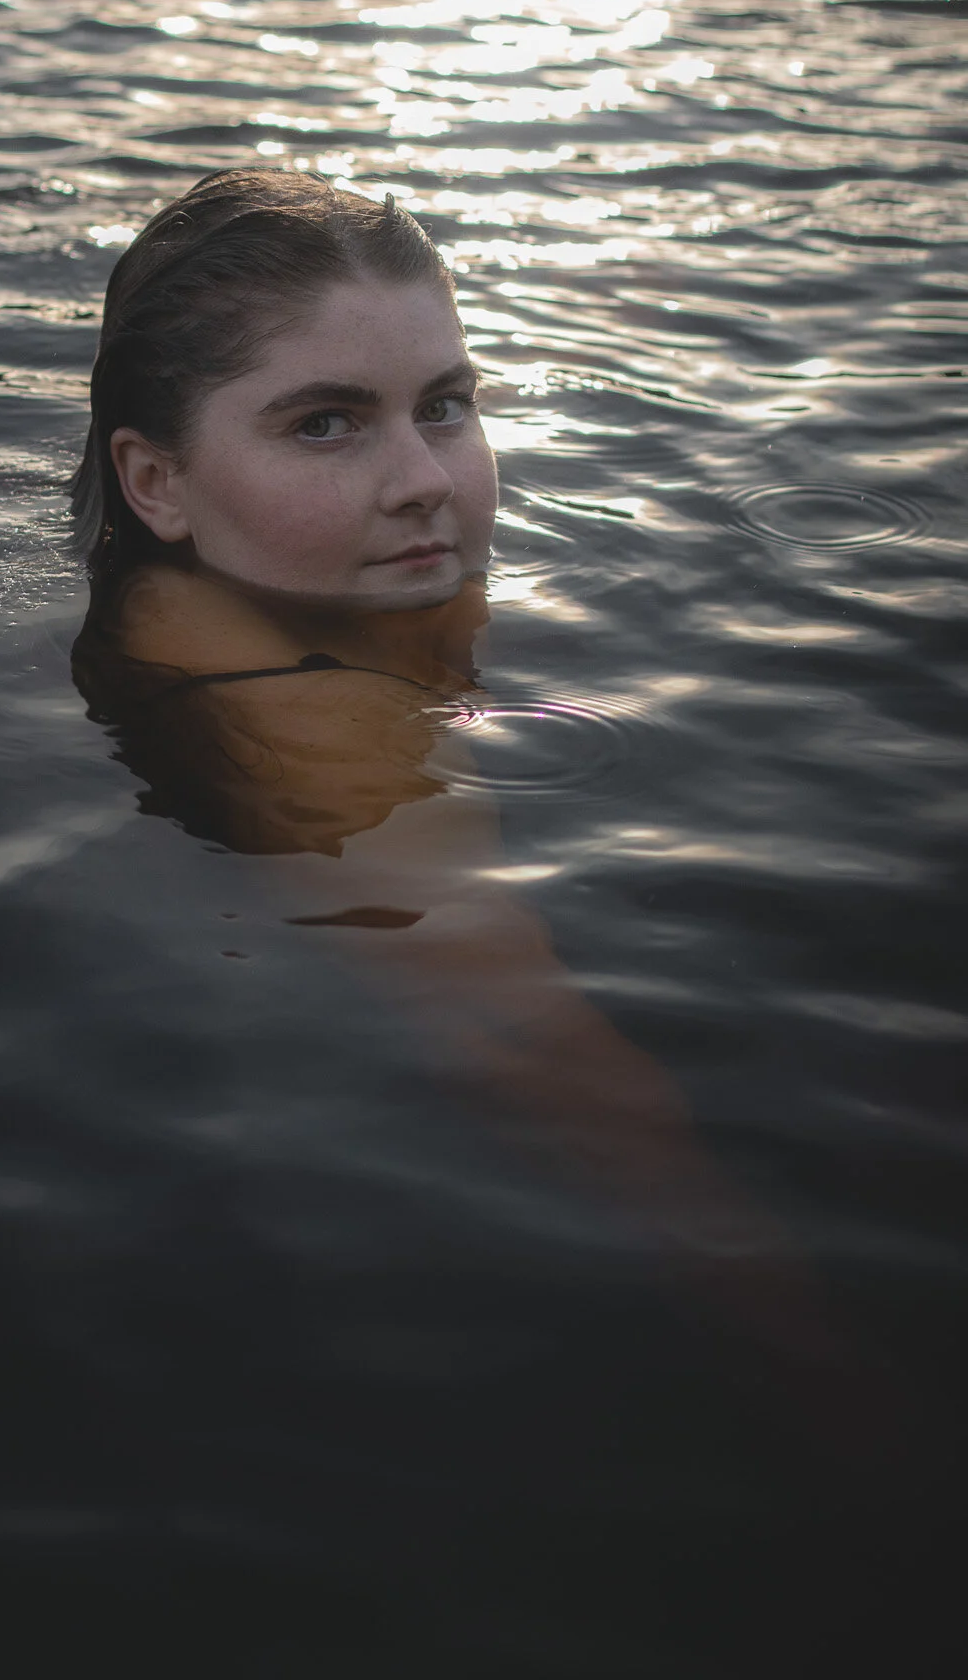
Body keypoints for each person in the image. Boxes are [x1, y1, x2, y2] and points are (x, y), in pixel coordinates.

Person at [68, 168, 871, 1420]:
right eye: (325, 422)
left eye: (444, 406)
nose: (423, 478)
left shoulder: (338, 575)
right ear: (155, 481)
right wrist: (837, 1377)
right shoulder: (291, 697)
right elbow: (525, 1034)